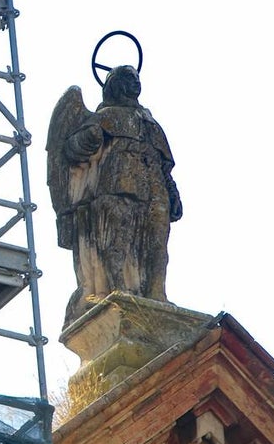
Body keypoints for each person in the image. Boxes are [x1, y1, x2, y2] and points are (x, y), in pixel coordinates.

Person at [46, 66, 182, 326]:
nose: (134, 84)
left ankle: (156, 293)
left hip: (153, 186)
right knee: (117, 241)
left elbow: (164, 164)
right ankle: (117, 288)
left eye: (136, 79)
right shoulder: (105, 117)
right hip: (118, 183)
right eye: (128, 79)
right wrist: (90, 138)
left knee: (158, 246)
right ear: (115, 85)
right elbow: (71, 150)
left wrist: (172, 191)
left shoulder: (150, 123)